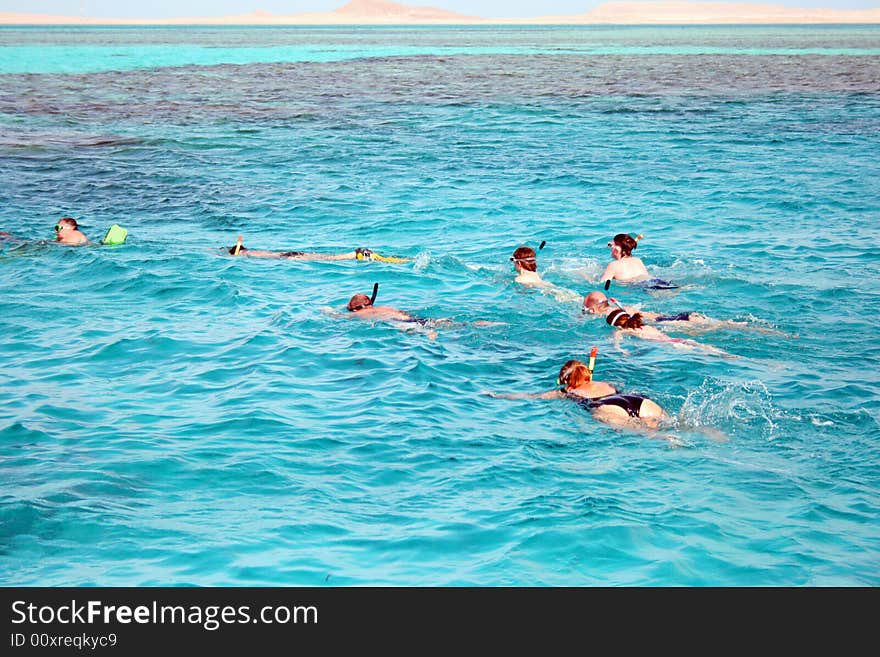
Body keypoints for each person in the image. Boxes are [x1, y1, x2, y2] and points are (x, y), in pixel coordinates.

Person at [487, 359, 668, 431]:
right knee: (665, 423)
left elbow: (532, 397)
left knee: (647, 433)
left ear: (567, 380)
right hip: (638, 400)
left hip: (608, 407)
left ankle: (667, 439)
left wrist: (497, 395)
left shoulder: (567, 391)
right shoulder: (606, 384)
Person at [598, 304, 734, 357]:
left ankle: (722, 355)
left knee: (702, 353)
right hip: (677, 340)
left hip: (671, 345)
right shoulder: (642, 325)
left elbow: (617, 338)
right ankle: (726, 354)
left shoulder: (628, 330)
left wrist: (621, 350)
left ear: (617, 325)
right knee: (705, 348)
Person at [227, 237, 408, 263]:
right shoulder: (250, 251)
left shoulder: (246, 253)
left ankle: (358, 254)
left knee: (329, 259)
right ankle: (358, 253)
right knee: (329, 258)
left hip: (292, 257)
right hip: (292, 254)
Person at [600, 233, 676, 290]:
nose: (610, 248)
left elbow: (603, 284)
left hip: (643, 286)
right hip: (657, 281)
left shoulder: (613, 265)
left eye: (612, 246)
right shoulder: (638, 260)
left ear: (616, 249)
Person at [511, 245, 580, 303]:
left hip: (542, 290)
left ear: (519, 263)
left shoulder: (519, 279)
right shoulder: (536, 274)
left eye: (513, 261)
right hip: (548, 285)